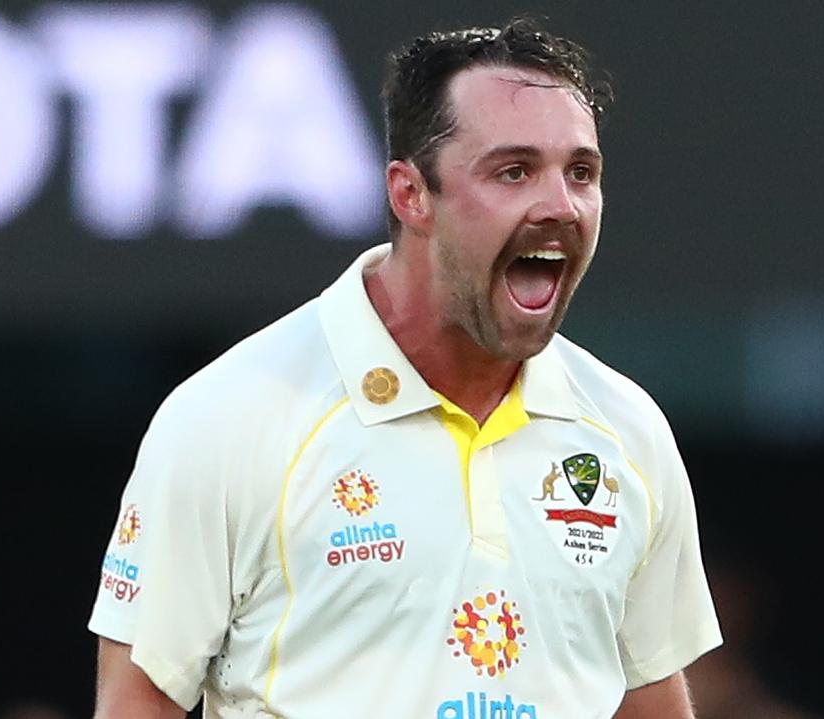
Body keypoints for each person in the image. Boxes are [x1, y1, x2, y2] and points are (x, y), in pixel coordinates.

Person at [88, 17, 722, 719]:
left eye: (580, 172)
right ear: (409, 194)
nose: (559, 206)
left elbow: (648, 696)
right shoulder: (230, 416)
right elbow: (138, 702)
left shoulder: (626, 431)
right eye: (514, 171)